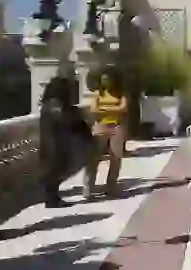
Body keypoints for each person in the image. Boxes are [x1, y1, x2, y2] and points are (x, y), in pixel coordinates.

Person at [39, 75, 89, 208]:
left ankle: (52, 198)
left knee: (53, 171)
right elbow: (66, 120)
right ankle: (52, 199)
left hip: (48, 141)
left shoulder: (47, 104)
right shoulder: (56, 104)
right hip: (57, 142)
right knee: (56, 170)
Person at [84, 65, 128, 199]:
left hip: (117, 127)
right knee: (94, 158)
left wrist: (104, 110)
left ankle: (111, 187)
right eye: (103, 79)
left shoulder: (121, 94)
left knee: (115, 158)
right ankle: (89, 187)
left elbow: (123, 109)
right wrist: (113, 109)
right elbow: (93, 110)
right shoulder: (98, 94)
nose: (106, 82)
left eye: (108, 79)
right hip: (100, 127)